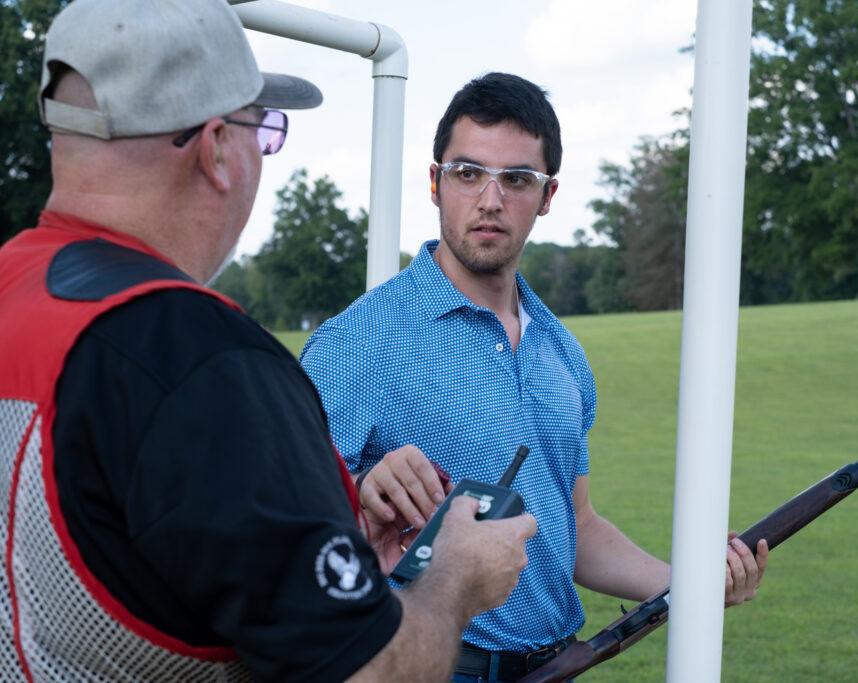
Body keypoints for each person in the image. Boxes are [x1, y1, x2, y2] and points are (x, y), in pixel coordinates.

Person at [0, 2, 536, 681]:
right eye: (265, 130)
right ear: (218, 147)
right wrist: (455, 579)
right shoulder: (203, 358)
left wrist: (329, 544)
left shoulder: (13, 287)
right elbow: (364, 671)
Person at [301, 72, 770, 681]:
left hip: (559, 665)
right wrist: (362, 485)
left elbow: (576, 528)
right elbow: (287, 525)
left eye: (517, 179)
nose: (490, 200)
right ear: (435, 184)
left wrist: (690, 585)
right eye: (468, 174)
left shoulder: (561, 351)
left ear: (547, 195)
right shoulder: (358, 340)